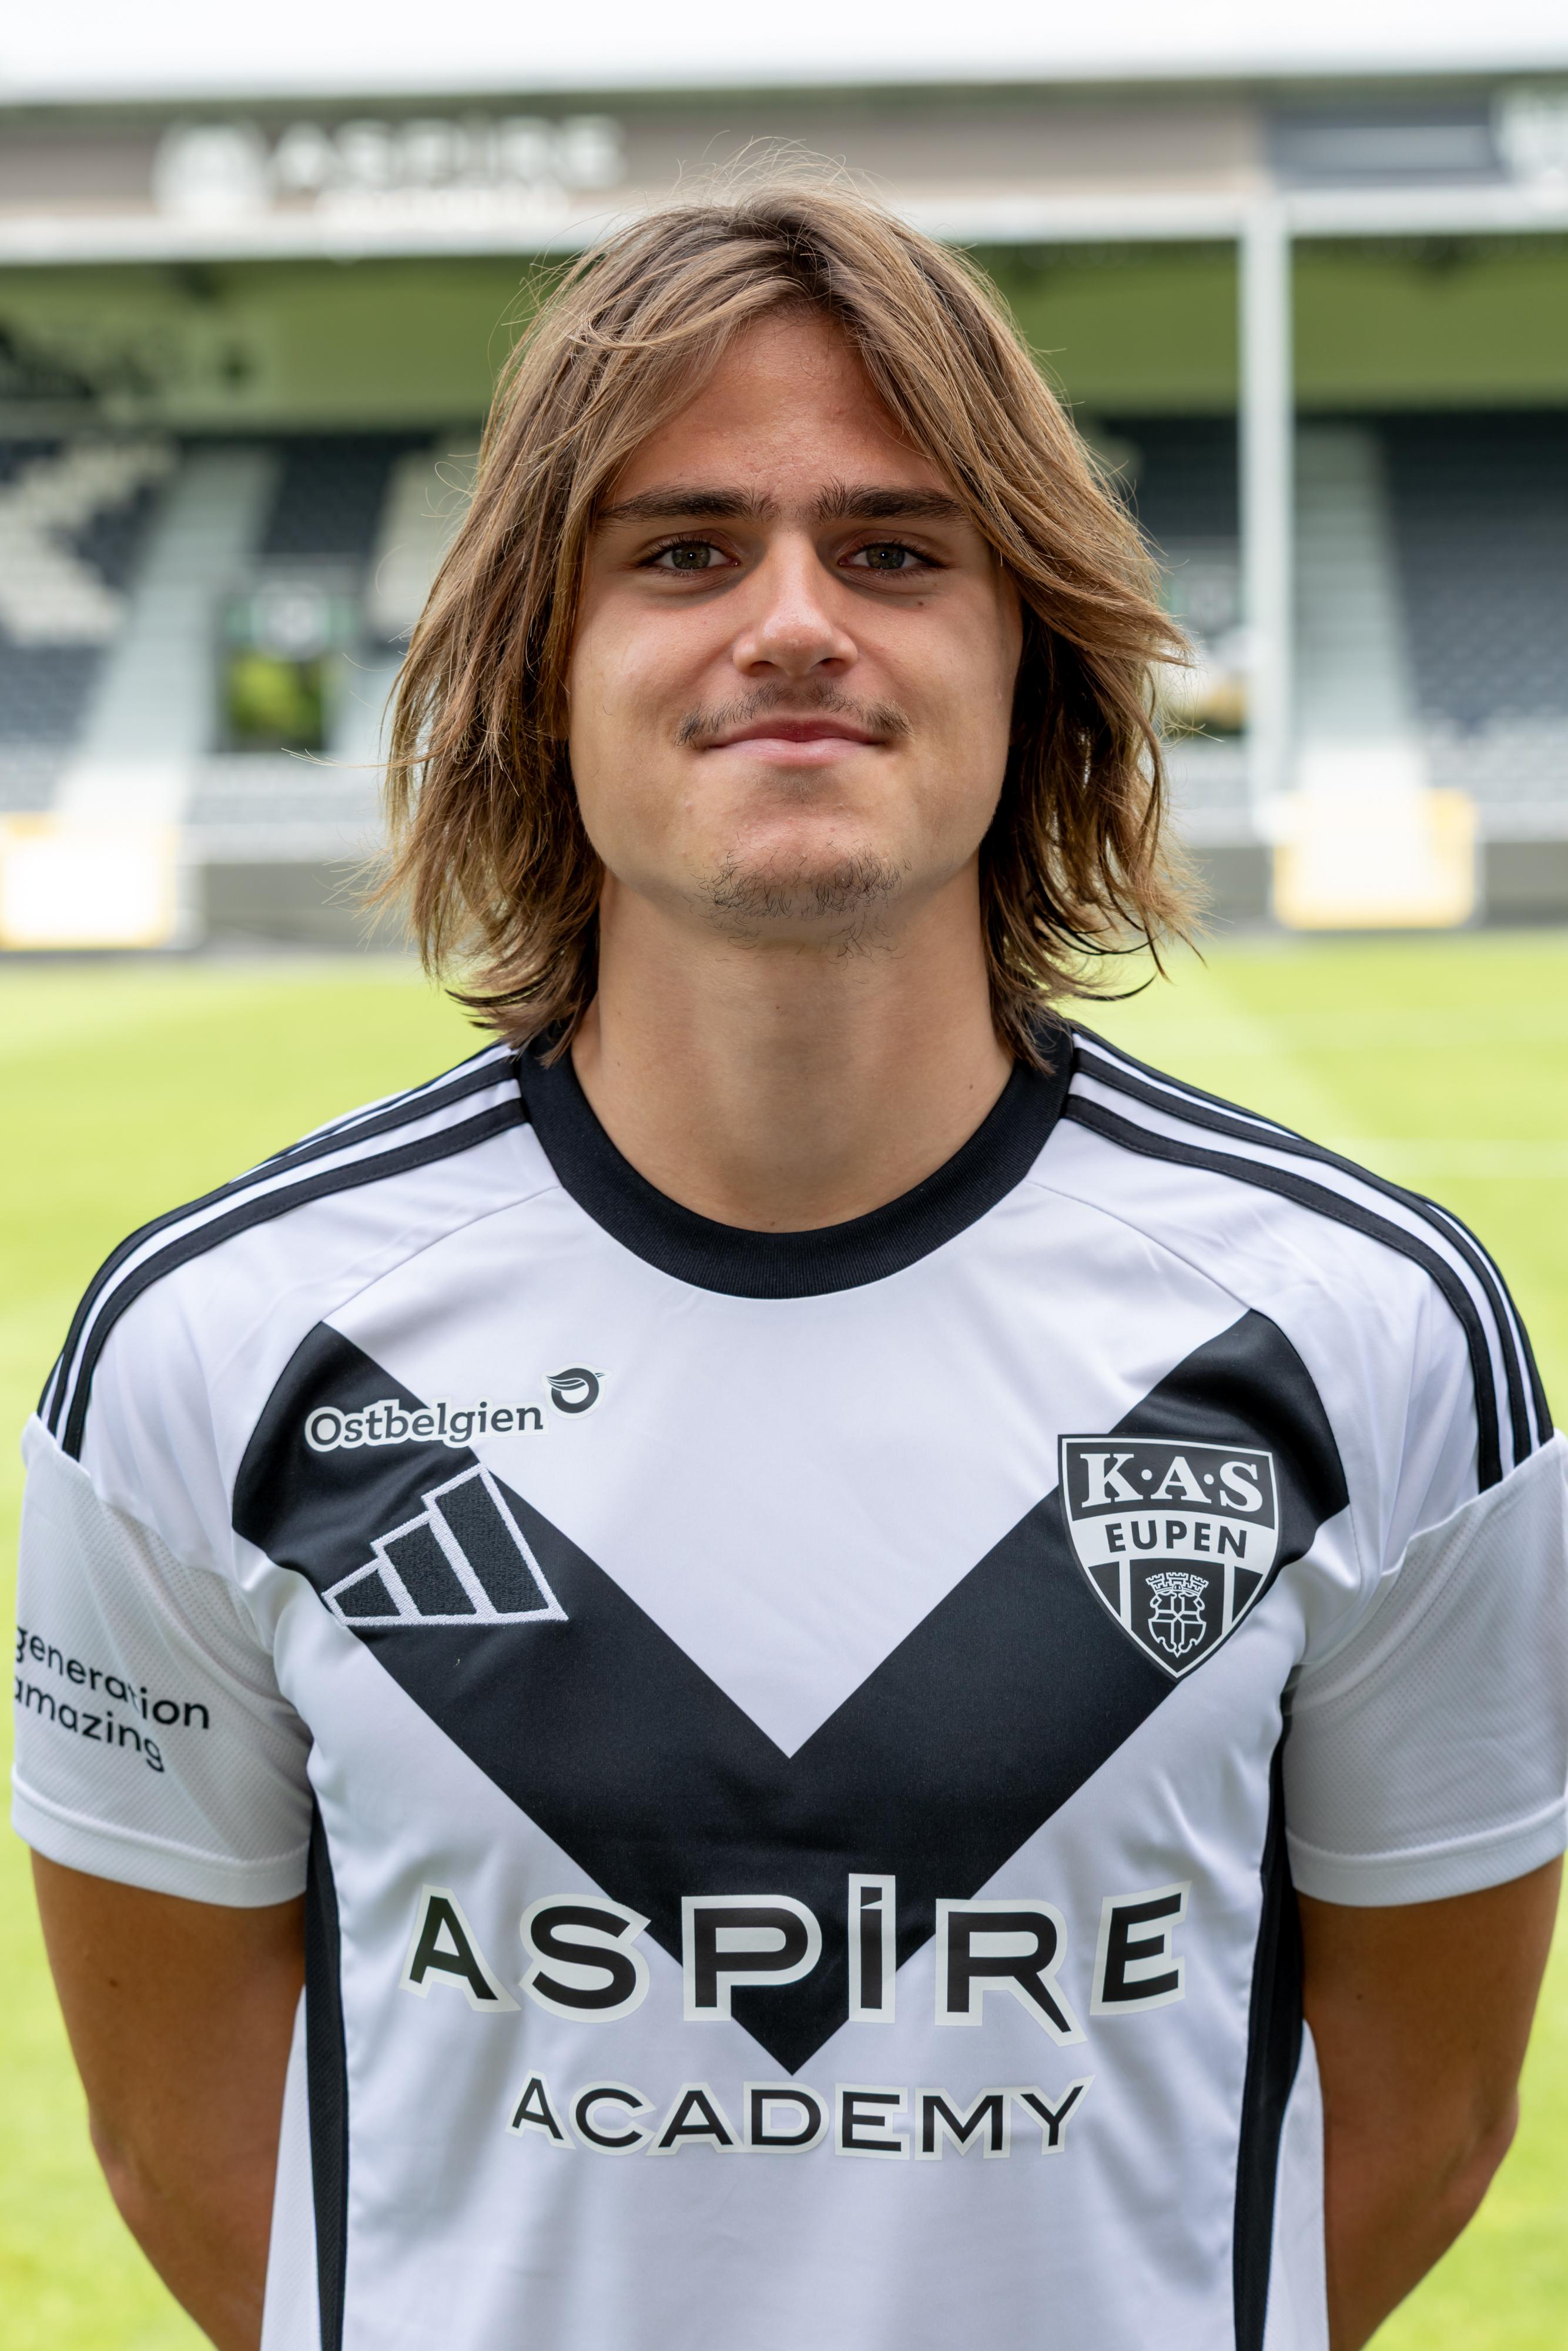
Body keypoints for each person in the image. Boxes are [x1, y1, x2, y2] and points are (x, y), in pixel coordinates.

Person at [14, 181, 1566, 2351]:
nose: (794, 623)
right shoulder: (212, 1354)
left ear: (1030, 656)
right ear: (533, 666)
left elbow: (1416, 2126)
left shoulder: (1373, 1340)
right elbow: (196, 2159)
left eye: (897, 550)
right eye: (679, 550)